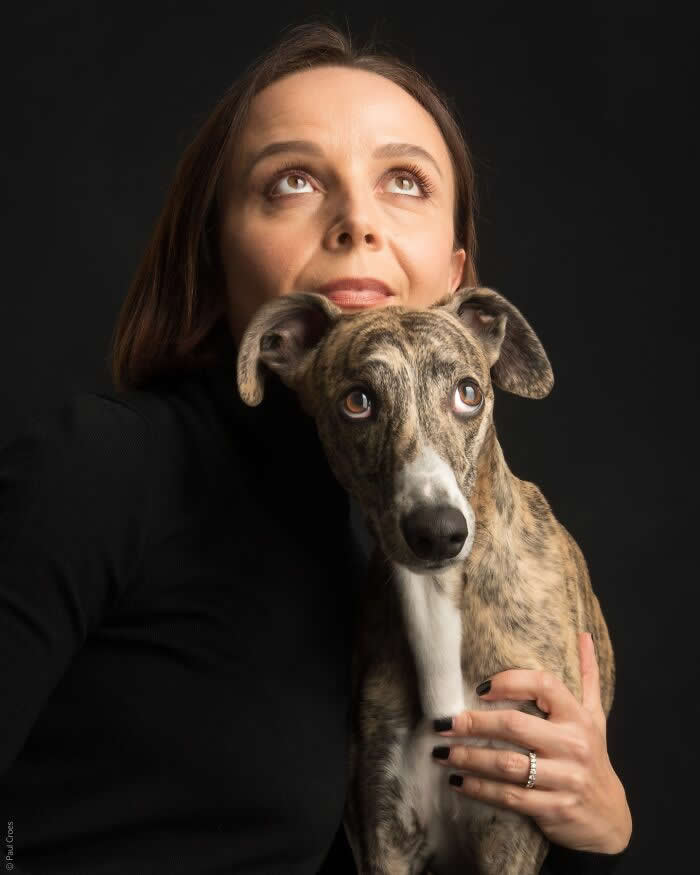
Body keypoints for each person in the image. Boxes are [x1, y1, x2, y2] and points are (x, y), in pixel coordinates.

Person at [0, 20, 632, 874]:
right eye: (292, 181)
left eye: (404, 181)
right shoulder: (103, 466)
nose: (358, 222)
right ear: (217, 256)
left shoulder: (376, 557)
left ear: (456, 278)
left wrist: (598, 830)